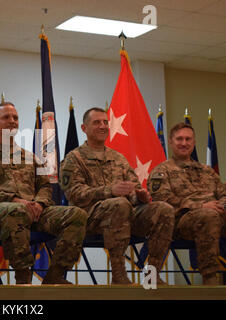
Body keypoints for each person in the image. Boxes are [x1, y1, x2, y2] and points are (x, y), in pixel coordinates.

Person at [0, 102, 88, 285]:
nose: (12, 121)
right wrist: (15, 200)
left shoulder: (30, 157)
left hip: (35, 211)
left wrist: (39, 204)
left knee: (76, 214)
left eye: (15, 117)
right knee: (15, 210)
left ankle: (55, 275)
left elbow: (46, 187)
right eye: (6, 117)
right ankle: (23, 278)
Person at [60, 107, 175, 285]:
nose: (103, 126)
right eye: (97, 122)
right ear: (84, 128)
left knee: (164, 209)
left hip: (124, 214)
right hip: (88, 217)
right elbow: (74, 194)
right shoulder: (74, 158)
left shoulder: (118, 158)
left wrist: (141, 196)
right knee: (119, 203)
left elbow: (133, 190)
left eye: (105, 122)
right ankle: (119, 275)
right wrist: (109, 191)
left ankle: (152, 275)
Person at [148, 122, 225, 285]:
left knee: (212, 214)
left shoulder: (207, 171)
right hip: (179, 222)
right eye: (179, 139)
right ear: (170, 141)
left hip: (214, 215)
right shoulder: (161, 171)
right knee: (208, 215)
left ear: (194, 142)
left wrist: (221, 206)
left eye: (188, 139)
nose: (184, 143)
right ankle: (210, 279)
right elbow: (162, 199)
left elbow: (223, 193)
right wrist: (200, 206)